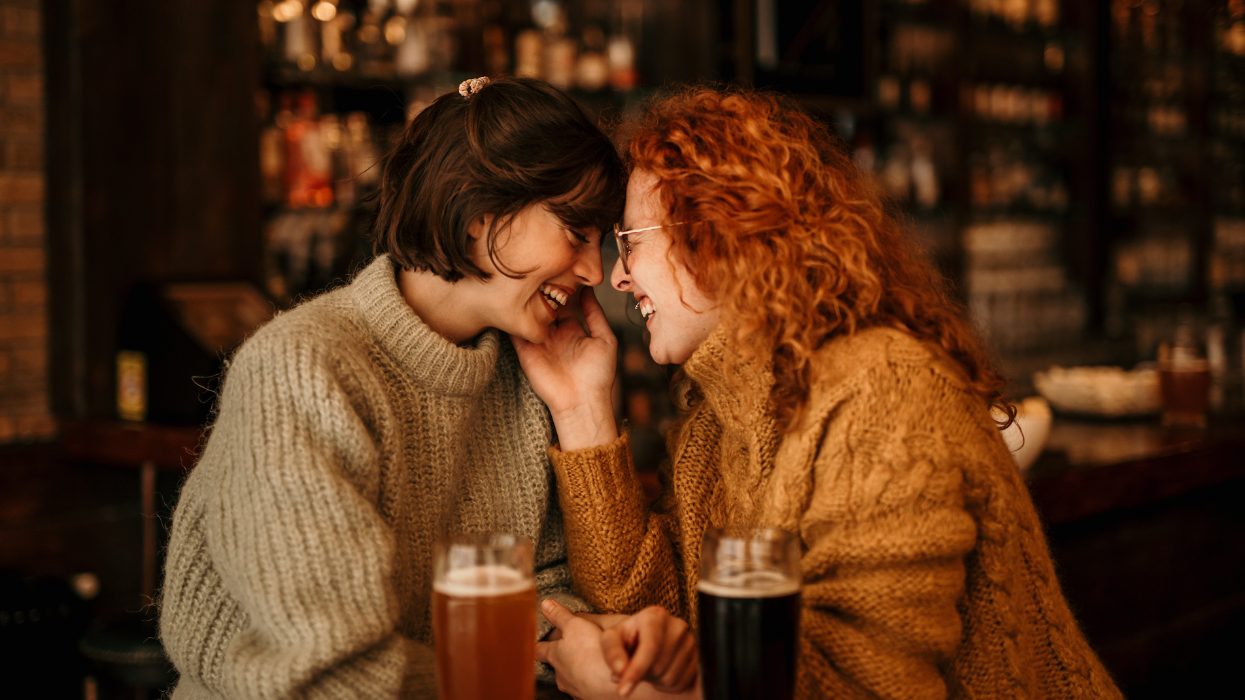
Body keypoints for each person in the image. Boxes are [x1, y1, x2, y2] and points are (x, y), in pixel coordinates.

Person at [515, 87, 1124, 699]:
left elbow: (863, 689)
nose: (616, 275)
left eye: (632, 240)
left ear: (720, 230)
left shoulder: (883, 391)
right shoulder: (717, 421)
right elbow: (660, 626)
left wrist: (624, 697)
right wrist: (581, 407)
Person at [159, 76, 629, 698]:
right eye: (576, 233)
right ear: (477, 216)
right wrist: (523, 664)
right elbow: (332, 675)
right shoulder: (303, 370)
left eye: (602, 242)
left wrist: (586, 408)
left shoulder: (524, 375)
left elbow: (546, 595)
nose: (596, 272)